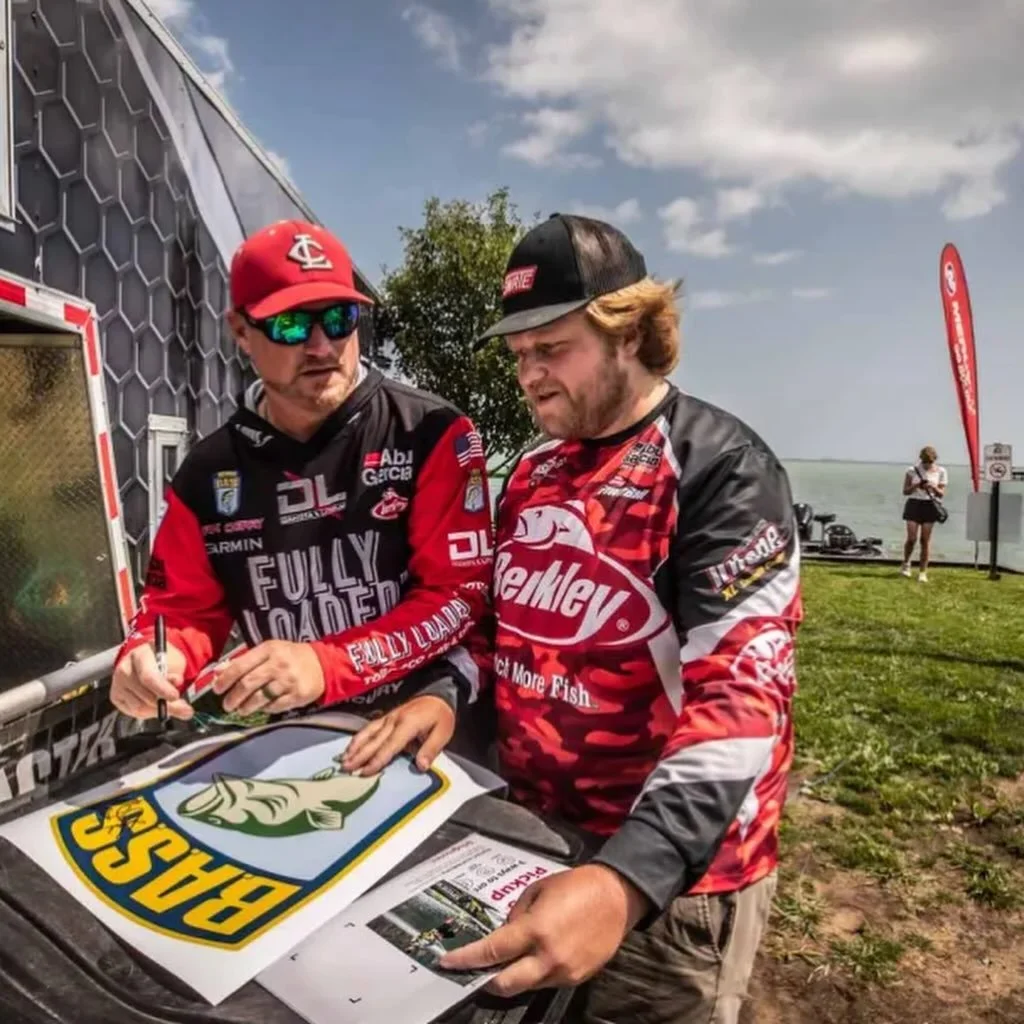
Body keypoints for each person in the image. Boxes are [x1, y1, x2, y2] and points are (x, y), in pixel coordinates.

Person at [346, 213, 803, 1024]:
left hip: (671, 882)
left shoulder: (721, 469)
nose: (530, 375)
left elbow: (742, 701)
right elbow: (491, 629)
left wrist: (628, 877)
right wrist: (445, 697)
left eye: (551, 348)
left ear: (631, 332)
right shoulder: (532, 471)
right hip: (530, 840)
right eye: (519, 355)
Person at [110, 218, 492, 745]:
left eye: (340, 318)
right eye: (290, 325)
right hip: (289, 740)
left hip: (423, 726)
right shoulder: (207, 470)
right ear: (240, 332)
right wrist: (155, 659)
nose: (320, 346)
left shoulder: (430, 432)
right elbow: (180, 610)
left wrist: (325, 664)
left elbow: (457, 597)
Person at [900, 445, 947, 582]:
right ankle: (906, 563)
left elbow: (942, 493)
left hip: (929, 504)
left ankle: (922, 571)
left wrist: (933, 487)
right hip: (914, 504)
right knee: (912, 538)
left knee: (925, 540)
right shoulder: (912, 470)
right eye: (925, 462)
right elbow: (905, 491)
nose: (927, 465)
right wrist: (916, 485)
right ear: (921, 460)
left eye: (929, 463)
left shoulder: (941, 471)